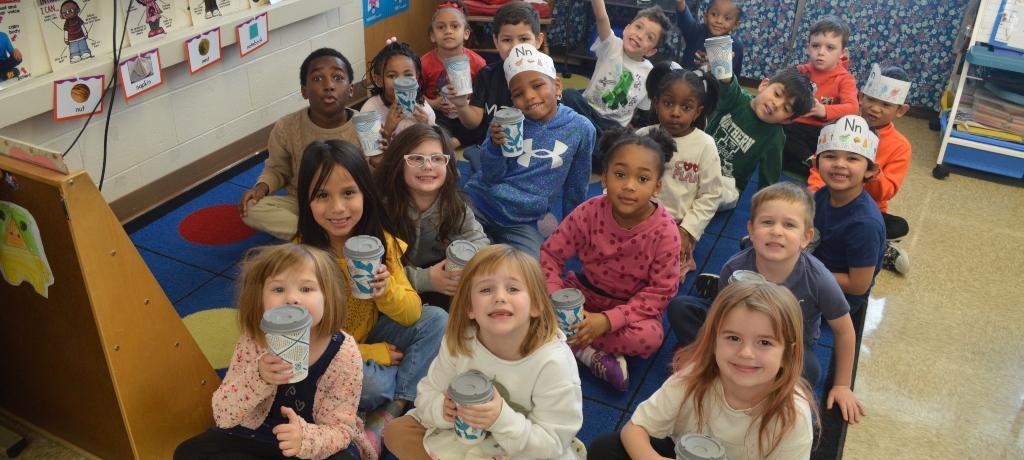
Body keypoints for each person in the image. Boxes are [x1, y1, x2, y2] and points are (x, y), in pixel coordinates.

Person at [294, 140, 448, 455]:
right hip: (327, 353)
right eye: (323, 195)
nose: (338, 208)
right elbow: (304, 341)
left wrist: (386, 289)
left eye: (349, 193)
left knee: (437, 321)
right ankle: (403, 390)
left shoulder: (381, 242)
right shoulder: (301, 258)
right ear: (306, 202)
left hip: (373, 331)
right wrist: (370, 352)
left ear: (366, 193)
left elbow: (411, 314)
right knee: (373, 384)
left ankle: (392, 411)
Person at [668, 182, 866, 424]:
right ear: (751, 230)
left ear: (806, 237)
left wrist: (843, 385)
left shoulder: (819, 278)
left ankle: (721, 367)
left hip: (790, 346)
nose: (777, 231)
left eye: (789, 225)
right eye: (767, 222)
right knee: (680, 308)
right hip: (738, 335)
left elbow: (844, 331)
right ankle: (718, 362)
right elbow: (718, 318)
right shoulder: (734, 267)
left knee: (809, 372)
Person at [174, 243, 374, 460]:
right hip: (255, 434)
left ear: (327, 297)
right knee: (187, 453)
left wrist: (304, 439)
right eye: (278, 289)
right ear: (260, 298)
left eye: (306, 289)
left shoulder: (343, 352)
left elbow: (340, 429)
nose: (292, 299)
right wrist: (258, 376)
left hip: (312, 442)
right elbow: (223, 413)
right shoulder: (254, 340)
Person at [383, 245, 584, 460]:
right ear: (470, 307)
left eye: (513, 289)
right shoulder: (459, 342)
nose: (499, 297)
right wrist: (443, 409)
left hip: (523, 446)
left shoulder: (553, 361)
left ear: (536, 305)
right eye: (486, 290)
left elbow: (551, 443)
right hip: (463, 439)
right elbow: (427, 393)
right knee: (397, 431)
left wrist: (500, 418)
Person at [588, 281, 816, 460]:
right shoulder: (691, 378)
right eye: (733, 338)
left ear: (787, 354)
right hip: (681, 450)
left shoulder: (792, 415)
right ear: (713, 340)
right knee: (606, 449)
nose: (746, 353)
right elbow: (634, 429)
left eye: (764, 342)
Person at [540, 128, 681, 391]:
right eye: (619, 175)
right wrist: (556, 297)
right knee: (530, 298)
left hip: (630, 310)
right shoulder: (589, 211)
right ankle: (585, 348)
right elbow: (551, 253)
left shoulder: (666, 231)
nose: (629, 186)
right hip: (583, 294)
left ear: (657, 186)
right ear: (604, 177)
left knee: (651, 338)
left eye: (642, 178)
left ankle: (571, 343)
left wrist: (607, 321)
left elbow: (660, 293)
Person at [463, 44, 594, 258]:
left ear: (557, 87)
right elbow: (490, 175)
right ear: (512, 100)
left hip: (522, 220)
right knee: (451, 236)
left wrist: (574, 229)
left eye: (537, 85)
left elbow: (576, 184)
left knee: (531, 269)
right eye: (518, 94)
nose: (530, 96)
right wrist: (494, 148)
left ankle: (487, 245)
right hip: (483, 201)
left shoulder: (581, 129)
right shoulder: (505, 122)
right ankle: (484, 245)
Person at [240, 48, 360, 241]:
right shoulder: (287, 127)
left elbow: (375, 180)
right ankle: (320, 238)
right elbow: (277, 169)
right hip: (304, 204)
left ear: (351, 89)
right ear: (304, 91)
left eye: (337, 78)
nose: (329, 85)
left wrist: (383, 158)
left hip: (350, 205)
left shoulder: (367, 126)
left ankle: (317, 238)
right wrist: (261, 188)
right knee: (252, 208)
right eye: (318, 79)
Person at [809, 64, 913, 275]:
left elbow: (888, 191)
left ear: (900, 110)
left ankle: (881, 250)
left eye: (885, 104)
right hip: (830, 197)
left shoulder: (900, 146)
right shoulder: (841, 125)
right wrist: (813, 194)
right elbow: (820, 163)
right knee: (804, 208)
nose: (875, 108)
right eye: (871, 99)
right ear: (860, 96)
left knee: (887, 226)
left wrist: (870, 171)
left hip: (867, 207)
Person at [373, 124, 489, 308]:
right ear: (398, 163)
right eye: (416, 158)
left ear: (448, 164)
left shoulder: (453, 204)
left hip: (439, 279)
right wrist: (426, 279)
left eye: (437, 158)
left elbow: (477, 239)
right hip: (394, 293)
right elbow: (375, 274)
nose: (427, 166)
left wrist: (461, 261)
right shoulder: (381, 208)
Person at [637, 62, 724, 278]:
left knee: (663, 276)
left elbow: (711, 195)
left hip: (677, 226)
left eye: (686, 107)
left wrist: (687, 230)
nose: (675, 113)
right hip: (635, 219)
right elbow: (620, 178)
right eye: (668, 103)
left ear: (697, 112)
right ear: (656, 104)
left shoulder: (705, 145)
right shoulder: (641, 137)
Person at [560, 0, 672, 167]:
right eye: (638, 27)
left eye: (649, 37)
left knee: (623, 138)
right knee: (569, 95)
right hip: (588, 111)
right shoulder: (612, 45)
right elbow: (602, 18)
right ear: (626, 29)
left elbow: (641, 112)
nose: (640, 35)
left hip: (612, 127)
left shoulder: (649, 72)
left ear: (651, 51)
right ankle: (596, 150)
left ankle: (587, 145)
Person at [449, 1, 547, 169]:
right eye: (507, 40)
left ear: (538, 41)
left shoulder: (545, 79)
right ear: (496, 41)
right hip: (492, 152)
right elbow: (473, 122)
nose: (515, 47)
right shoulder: (487, 75)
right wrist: (461, 105)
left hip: (531, 152)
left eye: (524, 39)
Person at [809, 115, 886, 318]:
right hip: (816, 265)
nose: (839, 164)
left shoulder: (864, 224)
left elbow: (858, 286)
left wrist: (801, 272)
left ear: (870, 171)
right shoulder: (824, 194)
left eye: (852, 158)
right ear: (817, 162)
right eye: (830, 156)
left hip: (837, 298)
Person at [707, 66, 815, 209]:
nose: (777, 104)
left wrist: (767, 209)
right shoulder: (738, 99)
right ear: (764, 85)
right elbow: (727, 83)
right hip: (698, 163)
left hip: (726, 184)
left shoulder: (774, 138)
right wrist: (721, 61)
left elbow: (769, 180)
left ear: (787, 120)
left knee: (714, 195)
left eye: (786, 109)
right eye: (777, 94)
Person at [783, 15, 860, 176]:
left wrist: (823, 110)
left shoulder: (845, 79)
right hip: (793, 125)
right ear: (808, 47)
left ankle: (807, 161)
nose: (821, 53)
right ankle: (809, 161)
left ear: (842, 53)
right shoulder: (799, 71)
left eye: (830, 48)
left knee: (834, 145)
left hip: (821, 130)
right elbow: (780, 89)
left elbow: (853, 108)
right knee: (780, 130)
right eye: (816, 46)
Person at [360, 39, 435, 169]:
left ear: (416, 78)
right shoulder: (368, 111)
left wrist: (426, 126)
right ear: (379, 80)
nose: (401, 82)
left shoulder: (422, 108)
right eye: (392, 76)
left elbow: (434, 147)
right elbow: (373, 163)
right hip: (385, 171)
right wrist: (387, 130)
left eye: (408, 75)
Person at [422, 0, 487, 147]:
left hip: (468, 112)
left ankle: (453, 142)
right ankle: (445, 141)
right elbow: (416, 94)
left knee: (487, 122)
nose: (448, 31)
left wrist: (466, 104)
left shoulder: (478, 63)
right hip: (439, 115)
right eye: (441, 27)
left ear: (466, 33)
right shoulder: (424, 63)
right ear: (432, 35)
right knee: (428, 125)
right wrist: (433, 103)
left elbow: (483, 95)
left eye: (455, 26)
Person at [674, 0, 744, 78]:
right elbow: (685, 19)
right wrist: (680, 3)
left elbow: (733, 81)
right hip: (686, 85)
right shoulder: (695, 32)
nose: (719, 21)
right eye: (714, 14)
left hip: (714, 89)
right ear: (705, 16)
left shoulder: (736, 47)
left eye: (727, 18)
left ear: (736, 25)